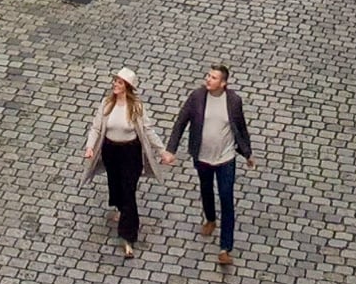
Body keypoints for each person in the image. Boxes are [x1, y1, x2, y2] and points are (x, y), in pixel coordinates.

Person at [162, 63, 254, 266]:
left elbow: (240, 127)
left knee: (226, 197)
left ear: (223, 83)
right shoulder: (197, 97)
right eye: (208, 76)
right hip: (202, 156)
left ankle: (225, 248)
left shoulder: (233, 101)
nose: (208, 79)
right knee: (206, 188)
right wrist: (170, 149)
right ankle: (210, 218)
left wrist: (247, 153)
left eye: (213, 77)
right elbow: (181, 122)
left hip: (225, 158)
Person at [83, 67, 166, 257]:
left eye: (119, 82)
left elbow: (148, 130)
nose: (115, 84)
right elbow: (96, 128)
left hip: (130, 153)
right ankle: (120, 207)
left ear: (127, 87)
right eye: (115, 81)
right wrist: (90, 147)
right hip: (111, 151)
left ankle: (128, 237)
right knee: (116, 185)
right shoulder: (107, 104)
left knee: (129, 192)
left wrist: (161, 150)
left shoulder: (136, 107)